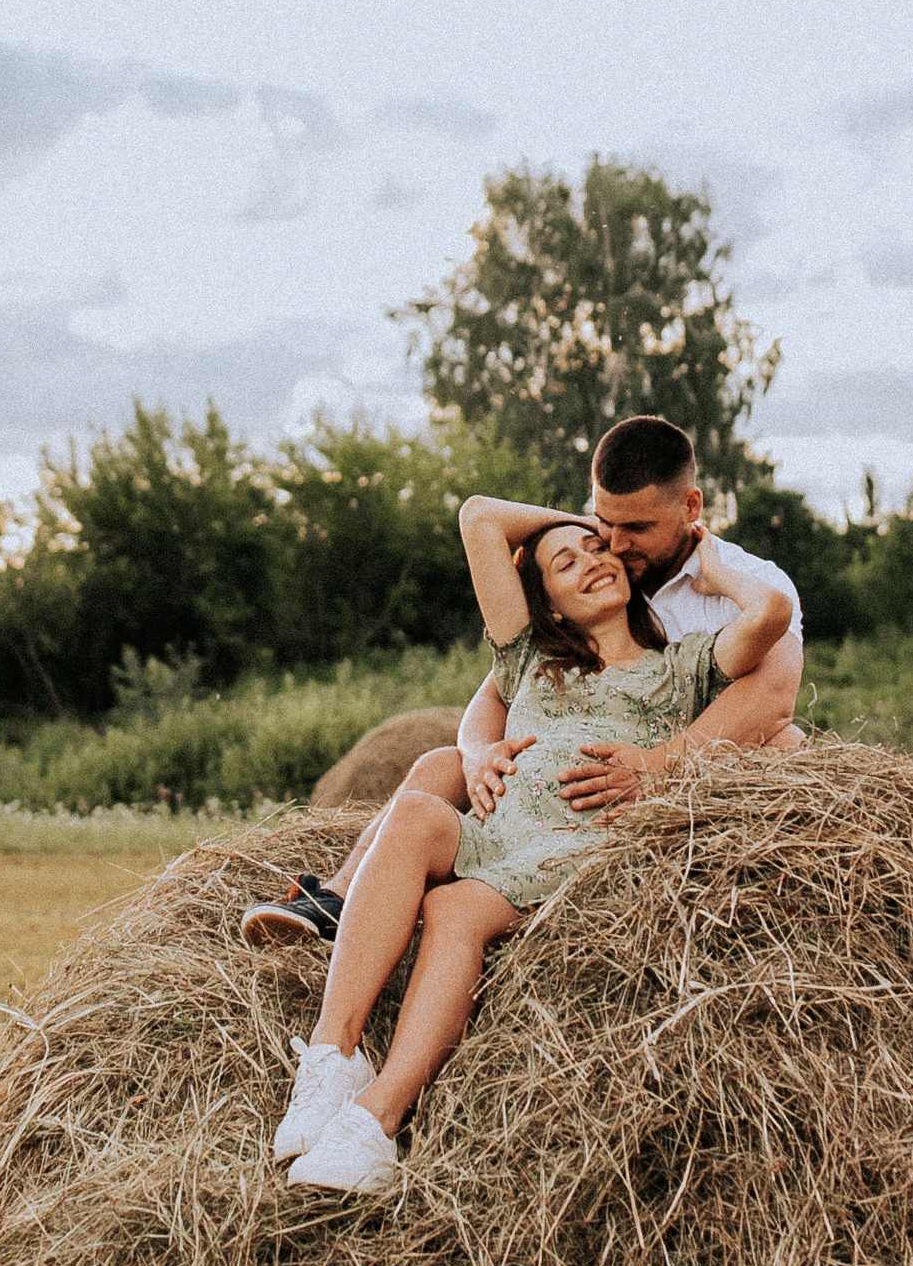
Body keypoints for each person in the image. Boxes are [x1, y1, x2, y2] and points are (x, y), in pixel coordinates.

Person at [271, 487, 794, 1196]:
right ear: (544, 603)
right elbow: (478, 518)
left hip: (579, 848)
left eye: (601, 549)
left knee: (455, 911)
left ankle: (376, 1123)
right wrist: (579, 521)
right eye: (565, 563)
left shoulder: (684, 666)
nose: (590, 560)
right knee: (416, 811)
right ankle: (333, 1056)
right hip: (500, 832)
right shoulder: (529, 662)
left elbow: (770, 613)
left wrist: (709, 563)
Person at [239, 414, 803, 949]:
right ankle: (337, 899)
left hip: (680, 775)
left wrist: (658, 764)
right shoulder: (599, 566)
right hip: (575, 768)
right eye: (604, 521)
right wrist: (479, 752)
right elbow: (500, 689)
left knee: (787, 748)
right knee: (441, 763)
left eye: (637, 528)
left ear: (691, 506)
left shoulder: (749, 582)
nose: (617, 545)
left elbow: (773, 699)